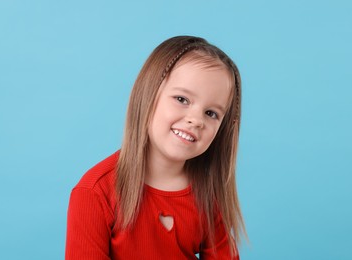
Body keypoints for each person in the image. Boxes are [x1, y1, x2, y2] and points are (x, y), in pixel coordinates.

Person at [65, 36, 246, 259]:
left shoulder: (207, 195)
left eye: (211, 113)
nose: (196, 120)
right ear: (148, 94)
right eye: (182, 99)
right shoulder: (94, 193)